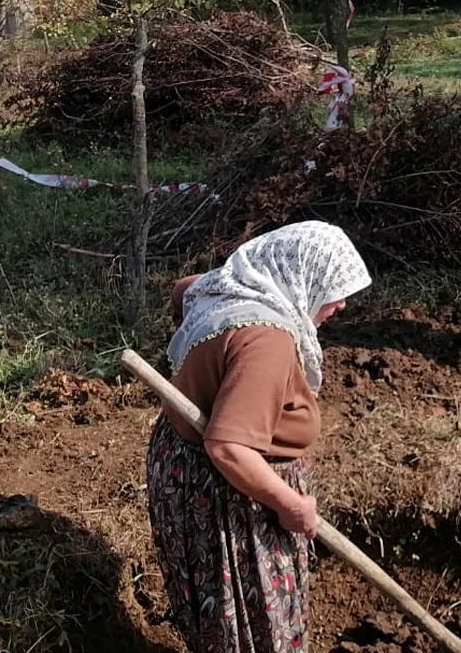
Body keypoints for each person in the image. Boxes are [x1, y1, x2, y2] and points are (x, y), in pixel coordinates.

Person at [146, 221, 372, 653]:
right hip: (230, 499)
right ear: (301, 277)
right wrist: (291, 505)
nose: (341, 303)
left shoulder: (228, 285)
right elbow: (228, 447)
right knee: (259, 632)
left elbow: (182, 290)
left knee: (219, 625)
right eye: (334, 288)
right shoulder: (267, 342)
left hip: (182, 469)